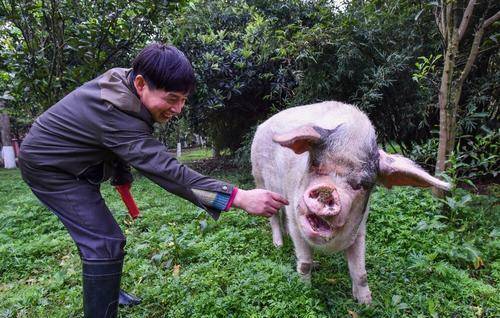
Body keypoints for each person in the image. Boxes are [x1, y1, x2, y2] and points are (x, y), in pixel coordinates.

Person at [18, 43, 288, 317]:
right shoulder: (114, 108)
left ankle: (107, 291)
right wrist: (237, 197)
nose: (178, 109)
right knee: (104, 242)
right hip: (51, 169)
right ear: (140, 83)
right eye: (172, 99)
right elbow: (166, 170)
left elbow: (115, 142)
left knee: (101, 240)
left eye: (183, 99)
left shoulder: (126, 87)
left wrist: (121, 176)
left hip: (74, 162)